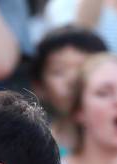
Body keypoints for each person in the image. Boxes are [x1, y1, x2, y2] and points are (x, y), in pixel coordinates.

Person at [31, 25, 107, 155]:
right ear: (39, 86)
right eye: (59, 71)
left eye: (83, 68)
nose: (73, 79)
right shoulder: (34, 152)